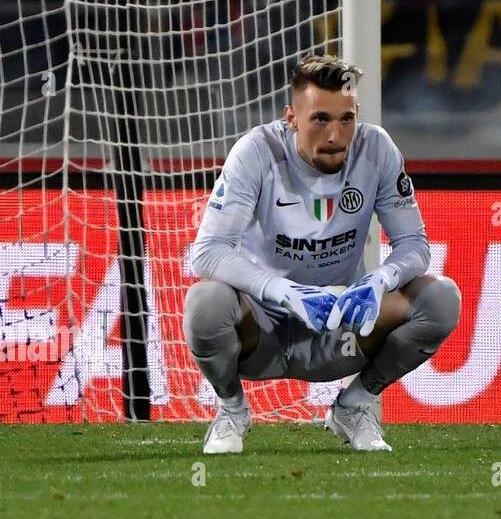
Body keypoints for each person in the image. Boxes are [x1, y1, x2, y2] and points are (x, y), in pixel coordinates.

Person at [183, 54, 460, 453]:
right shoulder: (256, 153)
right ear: (291, 117)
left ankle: (356, 403)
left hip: (342, 327)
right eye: (320, 120)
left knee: (441, 298)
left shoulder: (376, 149)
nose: (335, 135)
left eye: (346, 119)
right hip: (263, 331)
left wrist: (379, 280)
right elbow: (207, 252)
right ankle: (232, 410)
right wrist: (282, 290)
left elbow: (414, 245)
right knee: (205, 302)